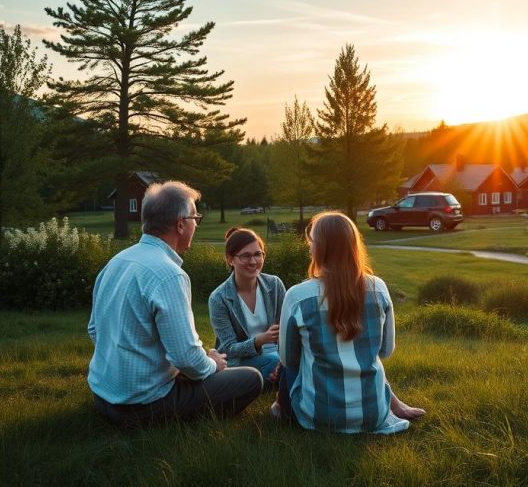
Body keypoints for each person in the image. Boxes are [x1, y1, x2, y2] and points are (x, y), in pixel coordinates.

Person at [87, 181, 262, 427]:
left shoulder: (116, 262)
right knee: (251, 379)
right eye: (195, 218)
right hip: (140, 405)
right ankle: (192, 423)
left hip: (101, 395)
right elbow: (186, 358)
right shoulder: (169, 274)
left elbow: (94, 330)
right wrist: (213, 364)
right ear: (181, 224)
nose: (196, 225)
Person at [277, 211, 425, 433]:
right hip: (372, 416)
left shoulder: (298, 296)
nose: (309, 247)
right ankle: (391, 404)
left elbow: (288, 359)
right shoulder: (378, 289)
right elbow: (385, 351)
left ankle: (282, 409)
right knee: (368, 355)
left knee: (288, 364)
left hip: (318, 417)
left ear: (321, 248)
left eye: (312, 242)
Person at [208, 227, 286, 387]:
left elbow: (286, 331)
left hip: (277, 354)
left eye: (258, 254)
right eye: (245, 256)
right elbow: (230, 349)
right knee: (275, 362)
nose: (253, 261)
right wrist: (258, 341)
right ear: (230, 259)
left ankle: (277, 376)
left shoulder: (275, 285)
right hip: (240, 361)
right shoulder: (219, 298)